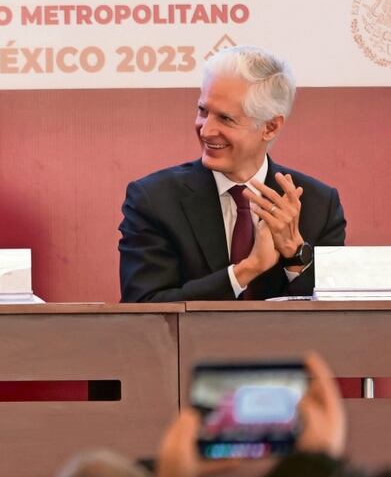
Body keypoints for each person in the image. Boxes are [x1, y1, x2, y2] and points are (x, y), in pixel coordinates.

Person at [118, 46, 346, 302]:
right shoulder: (154, 200)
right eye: (203, 111)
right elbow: (144, 309)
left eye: (225, 119)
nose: (206, 131)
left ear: (270, 127)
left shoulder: (320, 206)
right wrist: (246, 270)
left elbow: (335, 320)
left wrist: (295, 256)